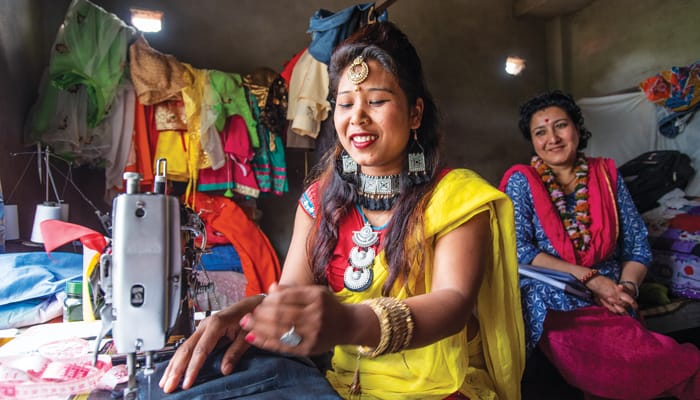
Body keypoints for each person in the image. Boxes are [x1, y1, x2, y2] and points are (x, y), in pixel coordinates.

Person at [158, 21, 525, 400]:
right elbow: (292, 292)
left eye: (377, 101)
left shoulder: (456, 196)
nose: (357, 118)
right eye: (345, 103)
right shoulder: (319, 201)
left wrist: (350, 321)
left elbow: (453, 303)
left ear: (415, 114)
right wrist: (246, 312)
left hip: (440, 388)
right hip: (342, 386)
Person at [499, 90, 700, 400]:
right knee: (576, 326)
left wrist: (627, 290)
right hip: (552, 290)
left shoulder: (606, 174)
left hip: (612, 293)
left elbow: (636, 246)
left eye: (561, 126)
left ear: (578, 129)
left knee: (626, 335)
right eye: (540, 132)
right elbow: (519, 250)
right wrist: (592, 281)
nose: (552, 137)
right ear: (533, 142)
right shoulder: (521, 180)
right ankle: (690, 374)